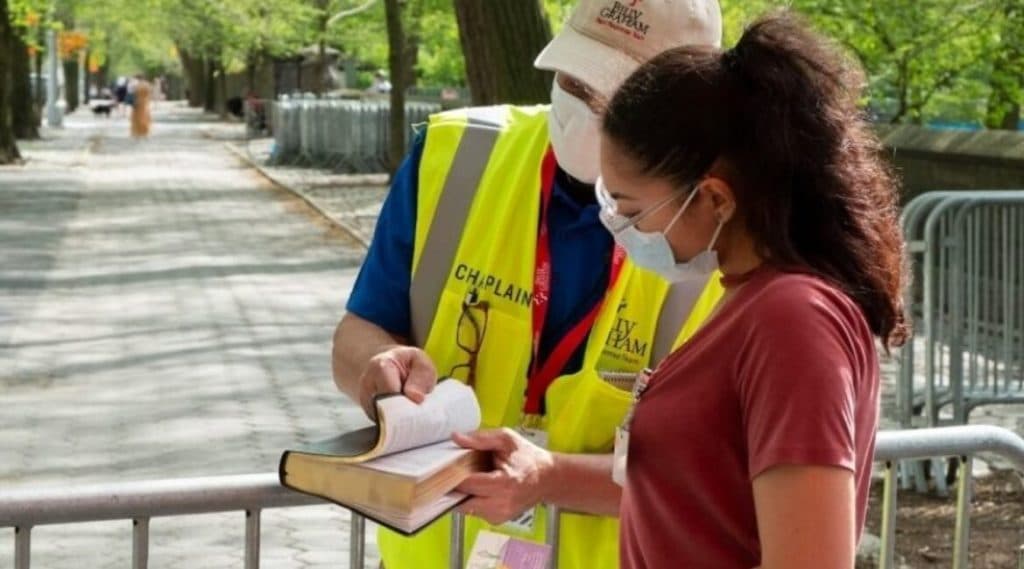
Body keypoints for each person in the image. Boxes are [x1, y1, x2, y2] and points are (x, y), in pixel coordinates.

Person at [331, 1, 723, 568]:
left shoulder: (716, 223)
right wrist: (378, 370)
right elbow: (357, 334)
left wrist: (550, 479)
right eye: (572, 78)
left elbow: (715, 478)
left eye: (611, 95)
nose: (584, 108)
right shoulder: (455, 157)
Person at [596, 11, 908, 569]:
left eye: (630, 209)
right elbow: (699, 499)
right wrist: (541, 475)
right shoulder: (751, 298)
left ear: (715, 198)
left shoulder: (791, 320)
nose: (622, 230)